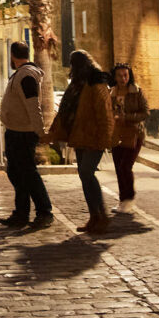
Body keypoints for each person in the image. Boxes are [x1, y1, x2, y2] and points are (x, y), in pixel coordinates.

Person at [50, 49, 114, 234]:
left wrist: (105, 137)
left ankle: (102, 215)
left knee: (87, 172)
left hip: (94, 136)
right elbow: (65, 110)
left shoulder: (97, 83)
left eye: (74, 64)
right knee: (83, 175)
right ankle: (94, 216)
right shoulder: (77, 84)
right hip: (79, 135)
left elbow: (105, 113)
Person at [0, 41, 54, 229]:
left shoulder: (27, 75)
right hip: (15, 131)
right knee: (16, 172)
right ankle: (21, 213)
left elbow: (33, 105)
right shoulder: (22, 74)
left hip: (23, 133)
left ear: (12, 55)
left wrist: (40, 132)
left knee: (28, 173)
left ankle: (44, 211)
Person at [110, 62, 149, 213]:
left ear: (129, 75)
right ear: (115, 76)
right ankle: (122, 200)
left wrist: (126, 117)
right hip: (117, 133)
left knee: (125, 166)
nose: (123, 78)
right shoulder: (111, 92)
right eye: (119, 75)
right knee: (118, 168)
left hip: (134, 133)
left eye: (125, 75)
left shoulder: (136, 91)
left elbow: (145, 112)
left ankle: (129, 199)